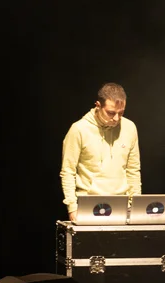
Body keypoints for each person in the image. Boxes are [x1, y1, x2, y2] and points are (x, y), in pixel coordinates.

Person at [60, 83, 141, 222]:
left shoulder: (129, 128)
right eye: (111, 113)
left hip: (122, 206)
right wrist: (72, 208)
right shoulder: (79, 129)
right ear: (98, 105)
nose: (116, 118)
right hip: (89, 206)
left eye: (121, 113)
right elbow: (68, 171)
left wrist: (136, 204)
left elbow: (133, 170)